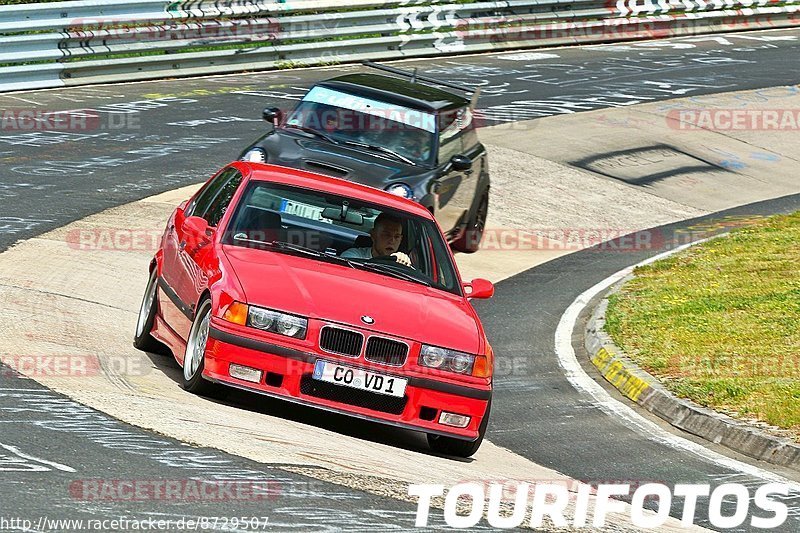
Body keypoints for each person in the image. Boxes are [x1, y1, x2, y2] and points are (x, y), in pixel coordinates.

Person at [341, 213, 412, 267]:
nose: (392, 241)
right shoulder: (353, 256)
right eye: (387, 235)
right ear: (373, 235)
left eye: (397, 237)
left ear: (400, 240)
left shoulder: (402, 262)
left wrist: (404, 265)